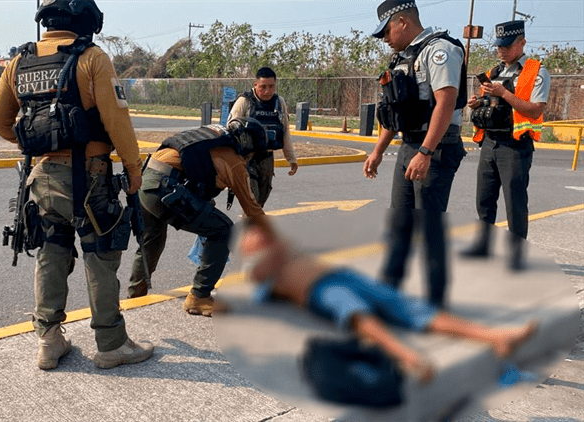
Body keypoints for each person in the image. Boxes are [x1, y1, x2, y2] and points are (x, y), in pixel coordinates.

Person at [0, 0, 153, 370]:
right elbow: (117, 121)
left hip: (41, 178)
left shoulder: (19, 62)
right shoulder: (92, 58)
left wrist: (38, 142)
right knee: (100, 256)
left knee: (50, 252)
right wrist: (133, 169)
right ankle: (111, 345)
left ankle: (49, 342)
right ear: (86, 20)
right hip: (89, 178)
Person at [235, 220, 538, 383]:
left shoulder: (279, 243)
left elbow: (275, 236)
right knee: (358, 314)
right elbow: (259, 281)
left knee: (412, 310)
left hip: (340, 275)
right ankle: (407, 356)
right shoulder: (256, 260)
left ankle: (496, 337)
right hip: (317, 290)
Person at [362, 0, 467, 308]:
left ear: (403, 21)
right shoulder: (403, 59)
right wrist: (378, 151)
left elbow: (445, 102)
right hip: (410, 146)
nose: (384, 39)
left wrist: (425, 151)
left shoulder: (440, 51)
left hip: (434, 148)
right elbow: (397, 114)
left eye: (386, 31)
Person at [126, 117, 269, 317]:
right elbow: (252, 211)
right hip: (165, 187)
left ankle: (135, 298)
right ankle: (199, 296)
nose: (251, 159)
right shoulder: (235, 161)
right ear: (248, 145)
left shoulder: (211, 135)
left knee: (151, 241)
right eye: (253, 154)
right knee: (222, 230)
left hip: (147, 180)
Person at [462, 20, 550, 271]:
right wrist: (478, 103)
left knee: (515, 202)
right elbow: (492, 105)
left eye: (507, 46)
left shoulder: (536, 71)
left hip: (515, 147)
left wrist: (504, 94)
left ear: (521, 42)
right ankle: (483, 247)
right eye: (498, 46)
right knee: (484, 200)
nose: (501, 51)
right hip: (490, 142)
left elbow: (535, 111)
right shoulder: (493, 72)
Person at [228, 66, 298, 207]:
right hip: (247, 159)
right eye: (263, 87)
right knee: (252, 201)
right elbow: (230, 129)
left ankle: (250, 224)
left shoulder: (279, 102)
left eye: (271, 86)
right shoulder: (244, 101)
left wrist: (291, 158)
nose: (267, 91)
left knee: (260, 201)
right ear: (255, 85)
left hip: (267, 159)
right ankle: (250, 225)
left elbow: (285, 131)